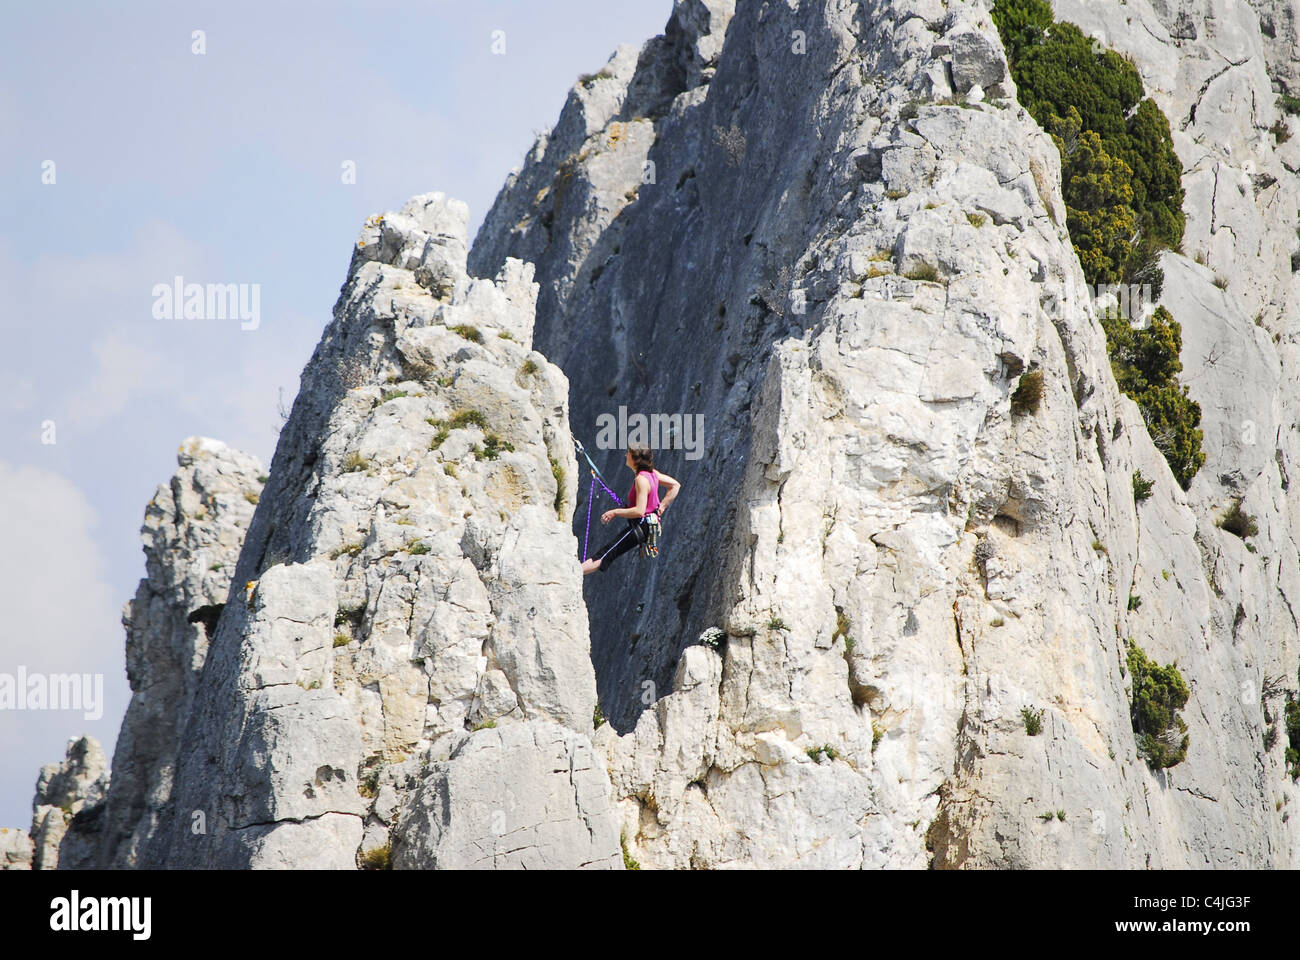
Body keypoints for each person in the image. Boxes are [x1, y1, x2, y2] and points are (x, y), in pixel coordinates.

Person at [581, 443, 680, 575]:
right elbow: (675, 485)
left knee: (607, 553)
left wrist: (614, 512)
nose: (625, 455)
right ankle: (578, 570)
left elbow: (639, 511)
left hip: (642, 524)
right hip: (647, 523)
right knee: (609, 551)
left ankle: (575, 573)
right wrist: (661, 507)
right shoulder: (652, 474)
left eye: (628, 453)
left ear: (635, 459)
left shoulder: (641, 480)